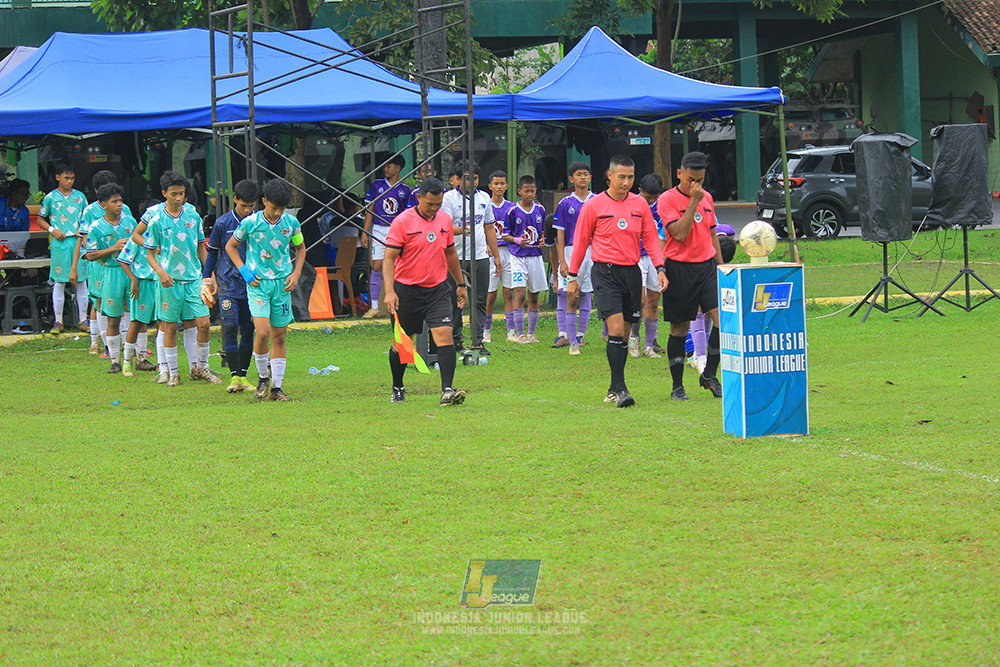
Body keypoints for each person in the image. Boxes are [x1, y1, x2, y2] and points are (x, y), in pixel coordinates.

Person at [568, 155, 667, 408]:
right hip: (605, 272)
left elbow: (651, 239)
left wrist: (660, 267)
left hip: (632, 273)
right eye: (621, 177)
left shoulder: (640, 205)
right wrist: (572, 277)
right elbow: (580, 242)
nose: (626, 182)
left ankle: (613, 388)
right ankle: (621, 389)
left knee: (623, 333)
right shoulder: (594, 205)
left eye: (630, 177)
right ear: (609, 176)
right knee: (614, 330)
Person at [382, 177, 468, 407]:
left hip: (438, 288)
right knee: (402, 341)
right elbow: (389, 259)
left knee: (444, 335)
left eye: (438, 204)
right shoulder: (402, 222)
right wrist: (389, 291)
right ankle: (398, 386)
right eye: (430, 204)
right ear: (419, 198)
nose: (434, 208)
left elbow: (450, 253)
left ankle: (447, 391)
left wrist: (460, 284)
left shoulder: (445, 220)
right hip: (407, 290)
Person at [225, 178, 306, 401]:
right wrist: (245, 271)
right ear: (264, 201)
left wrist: (296, 273)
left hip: (282, 285)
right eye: (273, 208)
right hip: (258, 286)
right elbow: (230, 246)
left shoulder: (291, 223)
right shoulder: (250, 223)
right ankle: (262, 377)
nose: (276, 213)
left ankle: (276, 388)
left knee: (279, 336)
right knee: (261, 333)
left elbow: (300, 249)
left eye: (281, 209)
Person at [657, 151, 725, 401]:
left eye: (700, 180)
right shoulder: (667, 199)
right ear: (679, 174)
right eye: (690, 180)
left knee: (723, 321)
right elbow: (680, 234)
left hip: (707, 266)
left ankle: (709, 374)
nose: (695, 185)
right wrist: (693, 202)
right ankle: (677, 386)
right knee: (679, 327)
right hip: (680, 268)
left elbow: (712, 233)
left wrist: (721, 266)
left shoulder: (707, 197)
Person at [143, 171, 221, 387]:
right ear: (164, 194)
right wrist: (160, 271)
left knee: (203, 323)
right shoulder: (157, 221)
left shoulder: (193, 216)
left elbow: (200, 248)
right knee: (169, 327)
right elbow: (149, 253)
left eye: (182, 194)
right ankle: (173, 372)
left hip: (194, 279)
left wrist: (210, 274)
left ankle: (200, 368)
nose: (179, 198)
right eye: (174, 194)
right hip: (170, 281)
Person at [204, 179, 259, 394]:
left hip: (253, 284)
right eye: (243, 205)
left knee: (248, 327)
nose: (247, 210)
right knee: (229, 324)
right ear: (234, 200)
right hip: (228, 283)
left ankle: (243, 375)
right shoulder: (222, 223)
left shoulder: (259, 223)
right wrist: (206, 278)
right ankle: (234, 376)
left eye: (251, 206)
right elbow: (213, 252)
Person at [441, 164, 501, 352]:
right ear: (458, 179)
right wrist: (462, 230)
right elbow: (445, 227)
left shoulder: (484, 198)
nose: (471, 182)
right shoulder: (448, 198)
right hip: (455, 256)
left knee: (479, 300)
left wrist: (496, 255)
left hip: (480, 256)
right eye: (467, 178)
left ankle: (478, 341)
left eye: (474, 178)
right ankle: (456, 340)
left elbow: (489, 227)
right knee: (454, 300)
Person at [75, 170, 135, 351]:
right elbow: (85, 239)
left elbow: (134, 236)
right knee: (100, 301)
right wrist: (102, 255)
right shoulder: (90, 211)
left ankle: (126, 344)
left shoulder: (126, 212)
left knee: (125, 303)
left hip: (123, 265)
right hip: (101, 264)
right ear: (98, 194)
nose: (117, 203)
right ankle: (98, 342)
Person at [38, 163, 88, 335]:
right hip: (60, 242)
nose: (69, 181)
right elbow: (40, 219)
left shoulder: (80, 197)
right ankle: (58, 321)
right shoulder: (50, 197)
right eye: (66, 178)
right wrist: (53, 230)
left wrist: (81, 230)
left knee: (81, 280)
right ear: (58, 177)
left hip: (78, 241)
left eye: (72, 178)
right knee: (59, 280)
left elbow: (87, 218)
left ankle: (83, 319)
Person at [361, 155, 412, 318]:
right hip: (378, 230)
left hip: (396, 231)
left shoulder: (405, 189)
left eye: (389, 166)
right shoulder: (376, 185)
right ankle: (374, 305)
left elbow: (407, 215)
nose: (385, 169)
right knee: (376, 266)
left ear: (398, 168)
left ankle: (398, 302)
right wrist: (365, 231)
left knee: (398, 266)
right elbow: (370, 208)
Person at [553, 162, 596, 355]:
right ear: (572, 179)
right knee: (569, 293)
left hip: (592, 251)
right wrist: (562, 260)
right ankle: (568, 337)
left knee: (586, 292)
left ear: (590, 177)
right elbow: (559, 235)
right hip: (571, 251)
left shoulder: (597, 201)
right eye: (579, 175)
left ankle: (580, 335)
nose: (583, 178)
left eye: (586, 174)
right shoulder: (564, 203)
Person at [502, 175, 547, 343]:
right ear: (519, 191)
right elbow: (505, 234)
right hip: (517, 257)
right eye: (526, 191)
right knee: (520, 293)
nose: (529, 194)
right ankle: (519, 333)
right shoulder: (512, 211)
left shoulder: (540, 209)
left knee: (534, 295)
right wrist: (517, 240)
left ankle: (531, 333)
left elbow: (541, 230)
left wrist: (542, 239)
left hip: (535, 256)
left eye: (532, 190)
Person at [633, 173, 666, 359]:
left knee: (653, 301)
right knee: (640, 300)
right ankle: (634, 338)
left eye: (654, 197)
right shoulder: (633, 204)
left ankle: (649, 345)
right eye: (648, 197)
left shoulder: (663, 206)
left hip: (655, 257)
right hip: (636, 256)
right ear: (640, 192)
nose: (651, 201)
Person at [484, 170, 515, 344]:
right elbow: (481, 228)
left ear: (507, 186)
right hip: (490, 254)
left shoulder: (511, 207)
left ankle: (511, 330)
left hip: (508, 252)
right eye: (496, 183)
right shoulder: (484, 205)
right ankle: (486, 330)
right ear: (490, 186)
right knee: (491, 295)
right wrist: (487, 246)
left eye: (502, 183)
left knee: (508, 292)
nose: (499, 187)